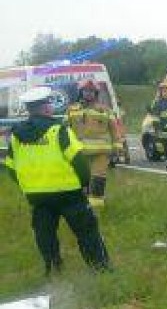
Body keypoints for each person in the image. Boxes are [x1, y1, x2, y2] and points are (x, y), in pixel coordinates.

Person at [3, 86, 110, 275]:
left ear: (29, 109)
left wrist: (28, 187)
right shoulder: (59, 131)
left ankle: (53, 269)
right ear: (45, 108)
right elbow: (79, 161)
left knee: (45, 235)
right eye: (49, 104)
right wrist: (85, 184)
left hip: (38, 197)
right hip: (69, 194)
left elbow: (10, 169)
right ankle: (100, 267)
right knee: (87, 232)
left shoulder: (16, 136)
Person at [65, 80, 122, 207]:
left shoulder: (105, 110)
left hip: (101, 153)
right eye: (86, 91)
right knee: (81, 180)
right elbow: (65, 130)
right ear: (81, 92)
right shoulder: (72, 110)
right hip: (79, 153)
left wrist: (117, 147)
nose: (88, 94)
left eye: (91, 91)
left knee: (98, 178)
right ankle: (82, 205)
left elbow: (115, 130)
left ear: (96, 93)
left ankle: (96, 207)